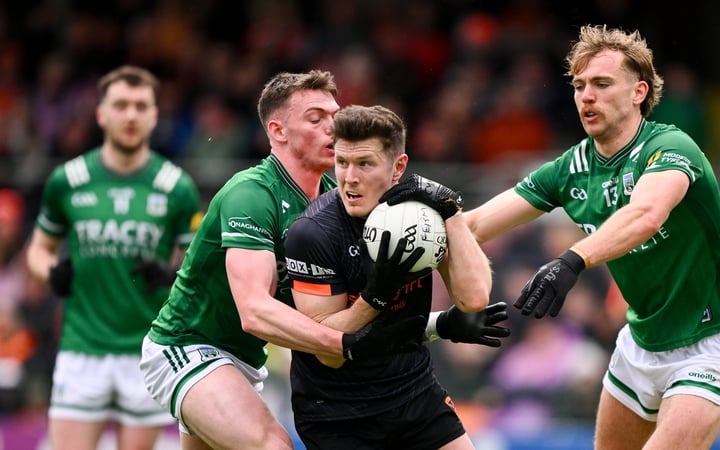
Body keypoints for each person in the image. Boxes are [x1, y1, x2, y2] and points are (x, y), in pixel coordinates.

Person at [383, 24, 720, 449]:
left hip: (710, 345)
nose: (586, 96)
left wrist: (571, 259)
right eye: (579, 86)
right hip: (641, 344)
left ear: (638, 93)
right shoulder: (572, 166)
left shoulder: (671, 146)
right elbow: (473, 227)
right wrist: (429, 220)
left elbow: (646, 215)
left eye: (601, 84)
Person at [139, 71, 429, 450]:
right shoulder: (252, 194)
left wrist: (440, 325)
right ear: (278, 131)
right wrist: (340, 343)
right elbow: (254, 311)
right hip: (188, 347)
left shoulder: (339, 194)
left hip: (243, 360)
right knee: (273, 445)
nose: (333, 128)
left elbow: (364, 304)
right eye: (316, 119)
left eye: (335, 116)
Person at [283, 104, 509, 450]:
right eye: (342, 162)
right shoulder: (313, 234)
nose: (349, 178)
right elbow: (326, 349)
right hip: (338, 414)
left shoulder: (424, 216)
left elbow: (474, 298)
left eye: (365, 164)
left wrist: (449, 208)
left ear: (398, 167)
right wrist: (376, 297)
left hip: (413, 392)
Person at [26, 65, 203, 450]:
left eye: (141, 106)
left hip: (147, 349)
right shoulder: (68, 180)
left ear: (155, 116)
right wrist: (50, 272)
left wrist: (173, 274)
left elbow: (197, 264)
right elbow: (38, 250)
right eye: (121, 104)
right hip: (81, 347)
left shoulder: (177, 186)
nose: (131, 115)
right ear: (101, 113)